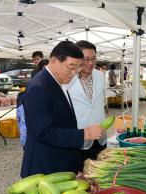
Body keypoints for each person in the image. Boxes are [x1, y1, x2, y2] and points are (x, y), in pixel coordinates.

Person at [21, 41, 104, 177]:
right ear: (54, 61)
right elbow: (43, 132)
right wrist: (83, 134)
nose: (74, 73)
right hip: (46, 165)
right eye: (70, 67)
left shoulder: (58, 81)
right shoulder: (38, 87)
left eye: (77, 68)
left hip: (61, 160)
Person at [68, 40, 107, 160]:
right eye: (86, 59)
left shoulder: (100, 76)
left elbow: (101, 102)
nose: (91, 63)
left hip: (100, 135)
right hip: (79, 137)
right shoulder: (68, 78)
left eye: (94, 59)